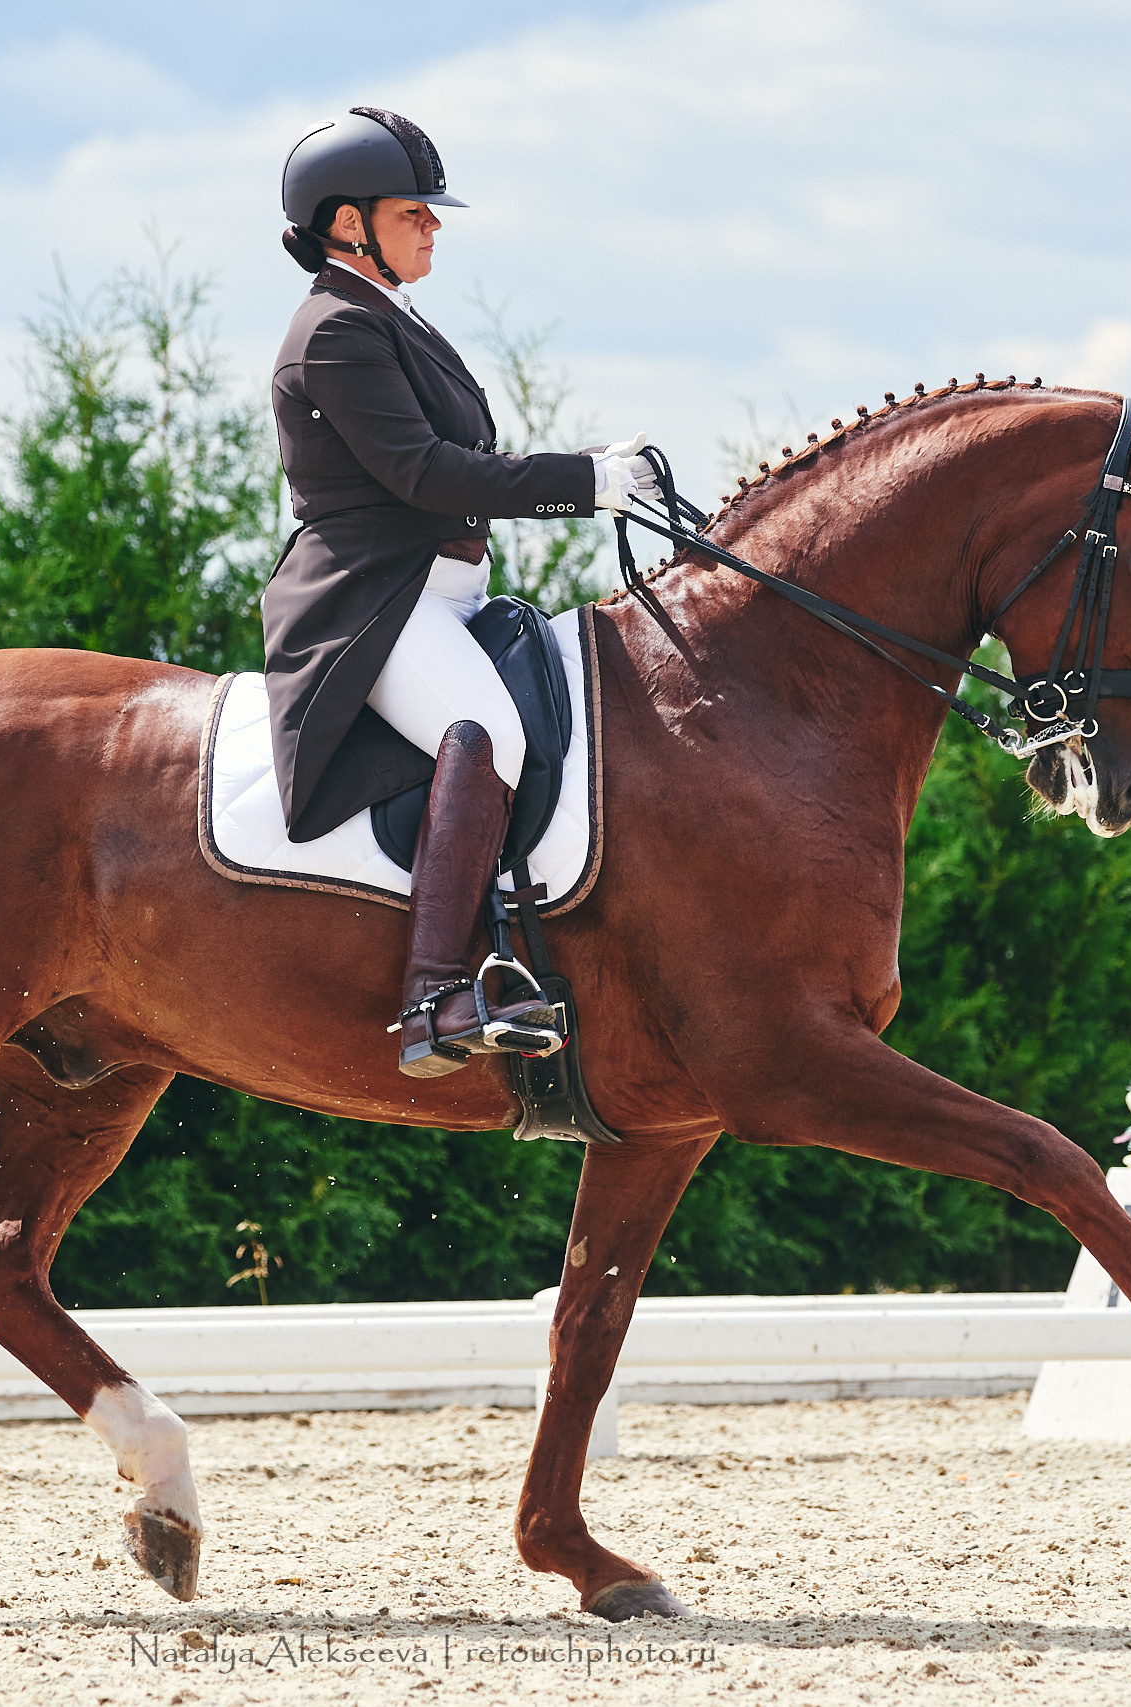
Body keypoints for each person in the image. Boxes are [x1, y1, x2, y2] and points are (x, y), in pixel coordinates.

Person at [264, 108, 657, 1078]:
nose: (433, 225)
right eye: (413, 212)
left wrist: (593, 471)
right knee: (486, 730)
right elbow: (427, 475)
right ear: (348, 224)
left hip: (444, 596)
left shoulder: (390, 318)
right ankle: (434, 996)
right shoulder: (334, 332)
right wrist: (583, 483)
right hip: (373, 603)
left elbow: (462, 462)